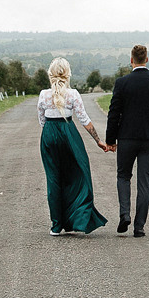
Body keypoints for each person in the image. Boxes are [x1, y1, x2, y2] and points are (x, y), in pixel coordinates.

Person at [103, 44, 149, 237]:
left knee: (123, 176)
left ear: (131, 60)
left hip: (126, 138)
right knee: (144, 181)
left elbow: (113, 113)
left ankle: (125, 214)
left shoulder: (122, 83)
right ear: (146, 60)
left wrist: (110, 139)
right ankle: (139, 226)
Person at [35, 58, 108, 236]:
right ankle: (77, 217)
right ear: (67, 74)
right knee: (78, 172)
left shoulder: (44, 94)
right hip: (68, 131)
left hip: (49, 133)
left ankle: (56, 225)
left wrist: (50, 135)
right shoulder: (73, 94)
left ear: (50, 74)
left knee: (53, 179)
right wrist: (98, 140)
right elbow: (84, 119)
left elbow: (41, 120)